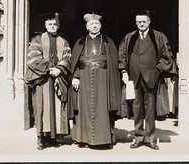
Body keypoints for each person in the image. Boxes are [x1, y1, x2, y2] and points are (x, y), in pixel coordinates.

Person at [118, 10, 177, 150]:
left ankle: (151, 139)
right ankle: (138, 137)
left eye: (144, 21)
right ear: (135, 22)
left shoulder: (158, 36)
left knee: (150, 109)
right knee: (136, 109)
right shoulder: (129, 37)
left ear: (149, 21)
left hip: (151, 78)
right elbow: (122, 56)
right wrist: (124, 71)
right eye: (139, 22)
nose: (141, 24)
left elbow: (167, 55)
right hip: (134, 78)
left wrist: (158, 69)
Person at [70, 12, 121, 149]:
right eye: (92, 24)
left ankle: (103, 139)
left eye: (97, 24)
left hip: (103, 79)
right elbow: (74, 62)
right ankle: (83, 138)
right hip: (84, 78)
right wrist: (75, 76)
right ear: (87, 26)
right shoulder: (80, 42)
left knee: (102, 108)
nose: (94, 26)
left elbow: (114, 62)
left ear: (100, 26)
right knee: (84, 108)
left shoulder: (108, 41)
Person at [25, 12, 72, 150]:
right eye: (50, 24)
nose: (53, 26)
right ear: (45, 25)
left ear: (58, 25)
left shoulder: (63, 41)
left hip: (57, 78)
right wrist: (50, 69)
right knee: (41, 108)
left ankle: (52, 138)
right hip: (42, 79)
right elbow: (33, 60)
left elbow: (67, 57)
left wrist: (59, 69)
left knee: (56, 108)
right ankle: (40, 138)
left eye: (55, 24)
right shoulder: (37, 40)